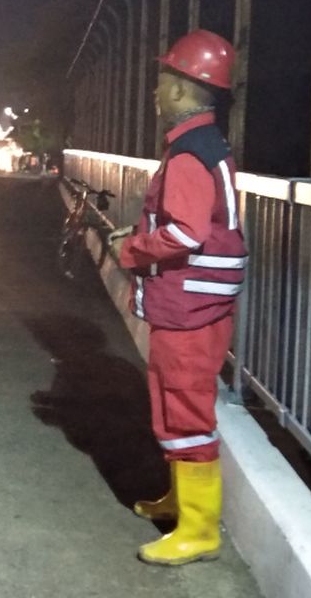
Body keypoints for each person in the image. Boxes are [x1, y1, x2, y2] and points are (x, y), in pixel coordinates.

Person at [108, 29, 247, 566]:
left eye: (162, 81)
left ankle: (199, 529)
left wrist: (134, 251)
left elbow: (185, 233)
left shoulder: (188, 155)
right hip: (200, 305)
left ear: (185, 90)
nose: (154, 92)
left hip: (187, 309)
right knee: (174, 406)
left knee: (183, 412)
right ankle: (180, 500)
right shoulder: (209, 145)